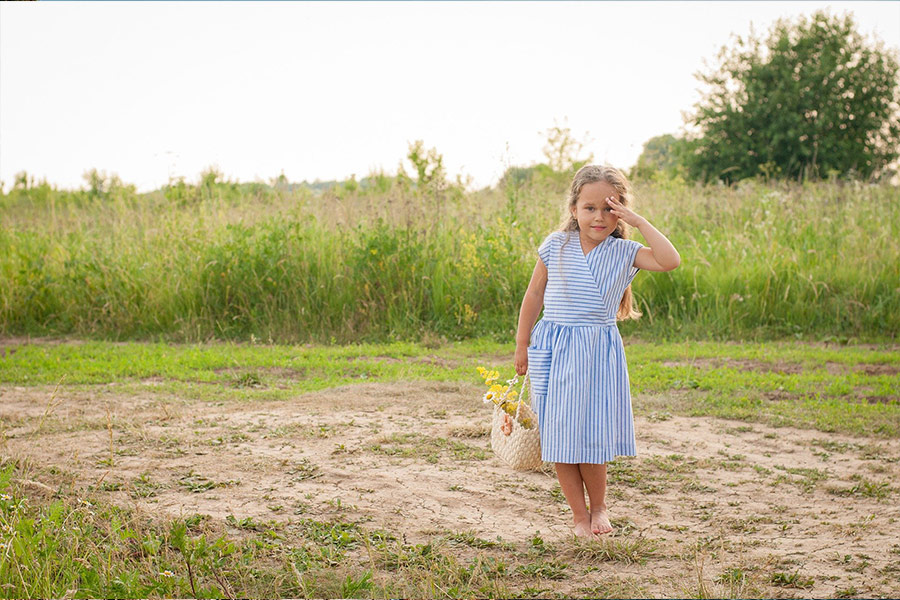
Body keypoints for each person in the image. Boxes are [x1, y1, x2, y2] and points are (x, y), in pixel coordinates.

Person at [514, 164, 680, 540]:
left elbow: (670, 260)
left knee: (591, 435)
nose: (599, 217)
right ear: (574, 208)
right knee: (559, 437)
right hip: (553, 350)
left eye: (610, 208)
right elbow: (534, 295)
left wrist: (637, 221)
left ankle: (600, 506)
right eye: (590, 208)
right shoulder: (556, 245)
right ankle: (578, 515)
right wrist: (522, 343)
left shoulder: (625, 251)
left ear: (620, 210)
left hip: (596, 355)